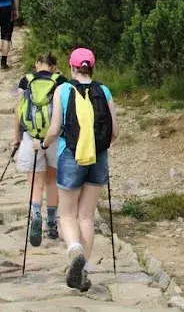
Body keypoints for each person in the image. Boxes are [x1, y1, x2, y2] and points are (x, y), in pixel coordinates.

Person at [41, 48, 118, 291]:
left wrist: (43, 144)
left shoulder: (63, 90)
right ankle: (83, 272)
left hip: (71, 155)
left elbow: (55, 129)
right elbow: (115, 132)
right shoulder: (104, 90)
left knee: (67, 214)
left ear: (72, 67)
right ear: (92, 67)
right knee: (86, 215)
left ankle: (75, 251)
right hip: (98, 156)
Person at [13, 53, 68, 247]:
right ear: (54, 66)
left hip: (31, 137)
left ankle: (36, 214)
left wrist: (17, 138)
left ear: (37, 64)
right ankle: (51, 224)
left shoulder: (26, 80)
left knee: (35, 183)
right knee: (52, 181)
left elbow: (19, 110)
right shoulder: (61, 81)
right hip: (54, 137)